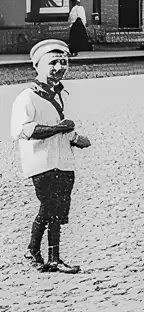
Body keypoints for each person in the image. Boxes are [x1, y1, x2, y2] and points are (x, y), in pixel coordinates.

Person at [12, 39, 91, 273]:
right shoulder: (27, 97)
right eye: (53, 62)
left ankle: (41, 253)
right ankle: (44, 255)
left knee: (54, 211)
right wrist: (59, 129)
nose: (59, 67)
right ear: (37, 65)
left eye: (63, 62)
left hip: (62, 160)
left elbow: (63, 126)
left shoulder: (60, 94)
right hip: (42, 162)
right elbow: (24, 130)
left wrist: (76, 138)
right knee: (51, 207)